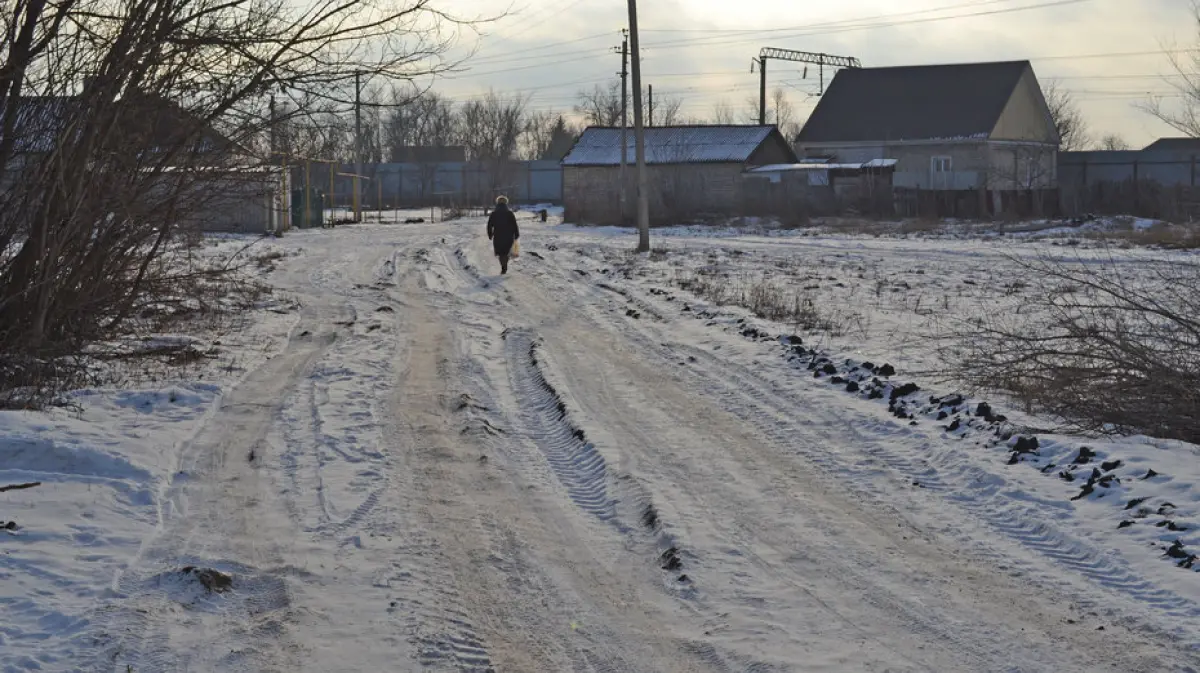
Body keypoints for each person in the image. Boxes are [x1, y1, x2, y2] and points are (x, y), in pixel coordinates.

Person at [486, 195, 520, 275]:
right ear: (506, 203)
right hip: (509, 235)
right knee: (506, 251)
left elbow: (489, 225)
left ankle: (503, 267)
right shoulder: (509, 213)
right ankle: (505, 265)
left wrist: (490, 234)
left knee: (501, 253)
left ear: (497, 203)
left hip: (498, 236)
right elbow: (514, 224)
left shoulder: (494, 213)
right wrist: (516, 234)